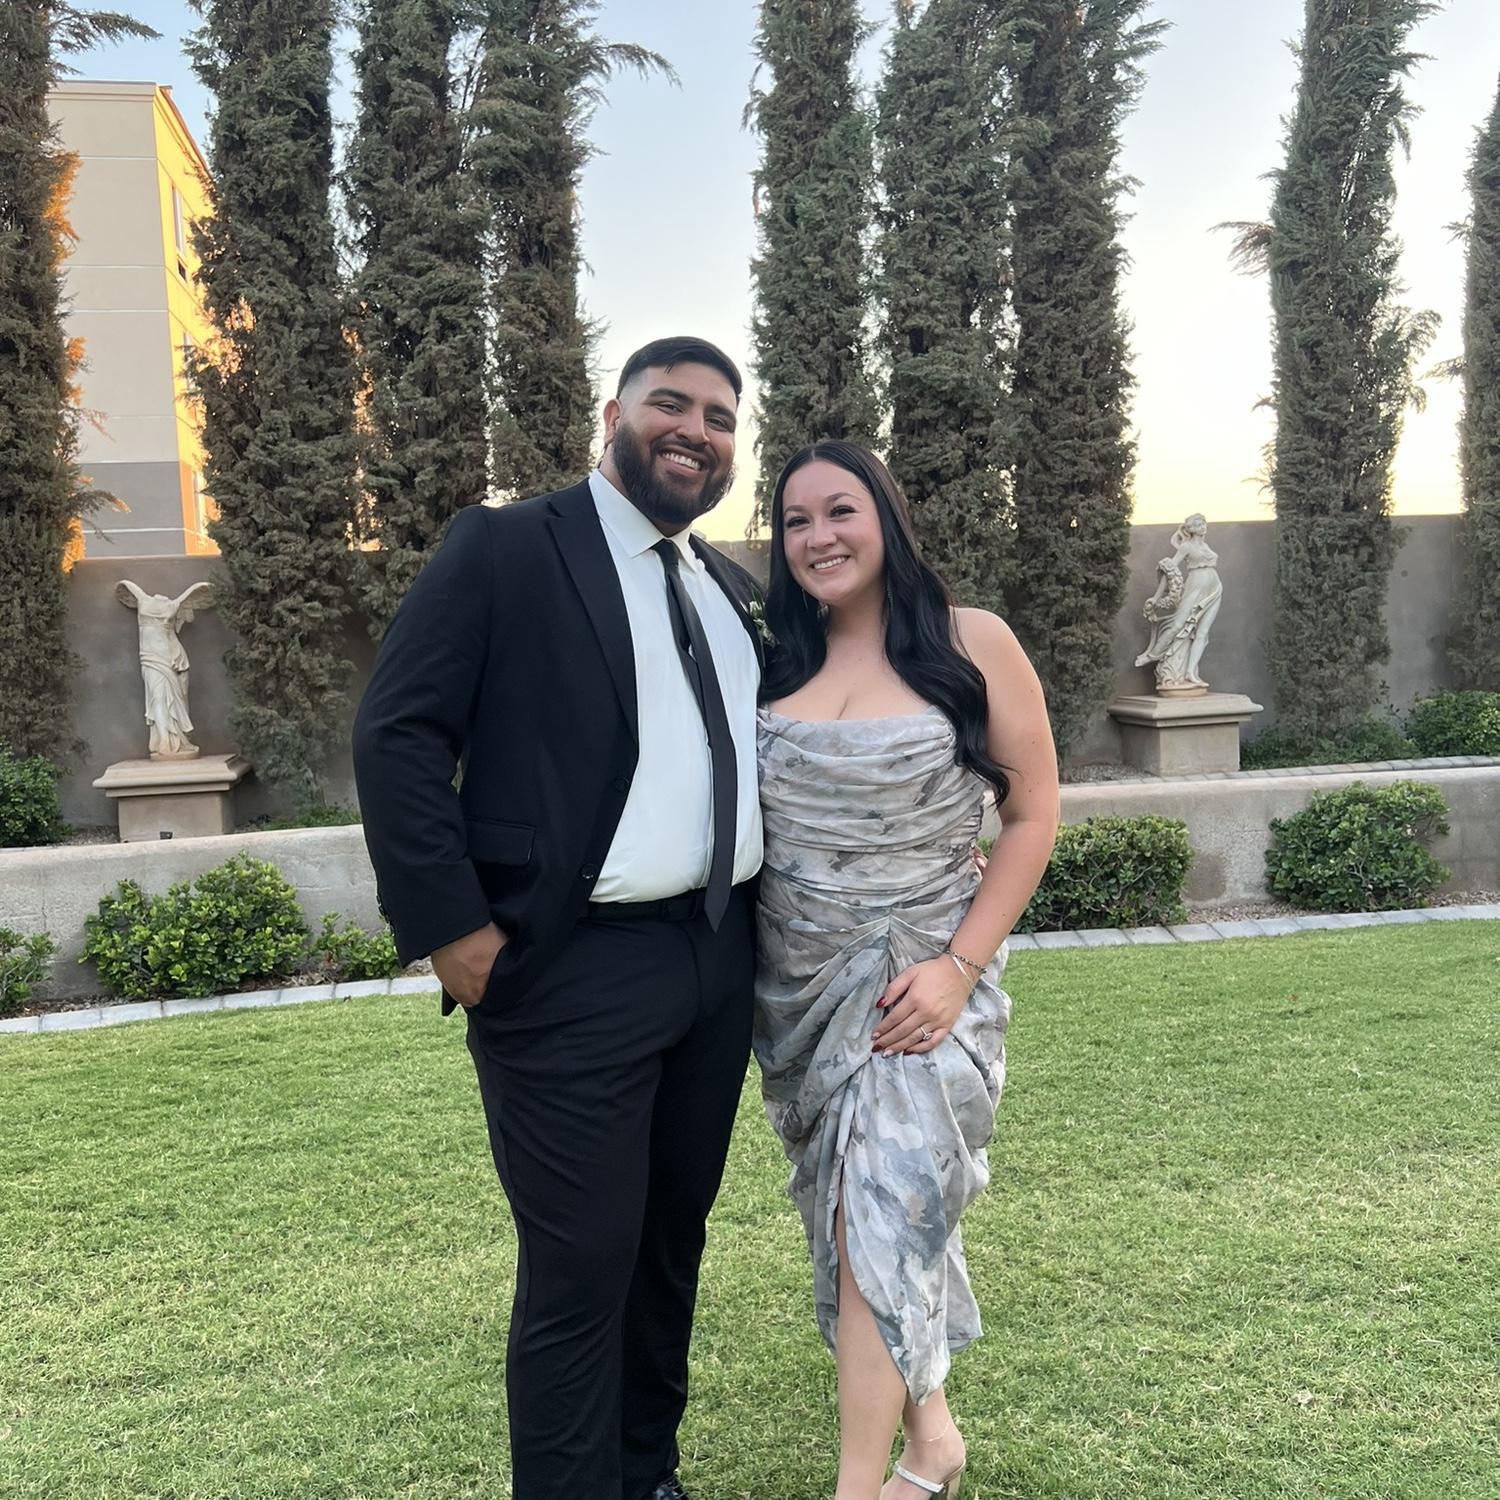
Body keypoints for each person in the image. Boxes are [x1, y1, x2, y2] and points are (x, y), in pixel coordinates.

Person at [352, 336, 764, 1500]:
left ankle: (647, 1476)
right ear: (612, 416)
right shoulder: (508, 548)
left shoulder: (726, 586)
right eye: (669, 403)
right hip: (571, 968)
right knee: (580, 1268)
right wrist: (452, 926)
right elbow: (397, 732)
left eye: (720, 417)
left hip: (717, 959)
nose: (694, 430)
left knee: (668, 1246)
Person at [753, 441, 1059, 1499]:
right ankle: (933, 1438)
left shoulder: (974, 643)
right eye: (796, 521)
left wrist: (959, 970)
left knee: (880, 1219)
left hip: (924, 992)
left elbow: (1031, 815)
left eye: (840, 510)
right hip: (798, 998)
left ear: (885, 515)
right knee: (857, 1221)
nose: (819, 537)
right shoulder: (769, 664)